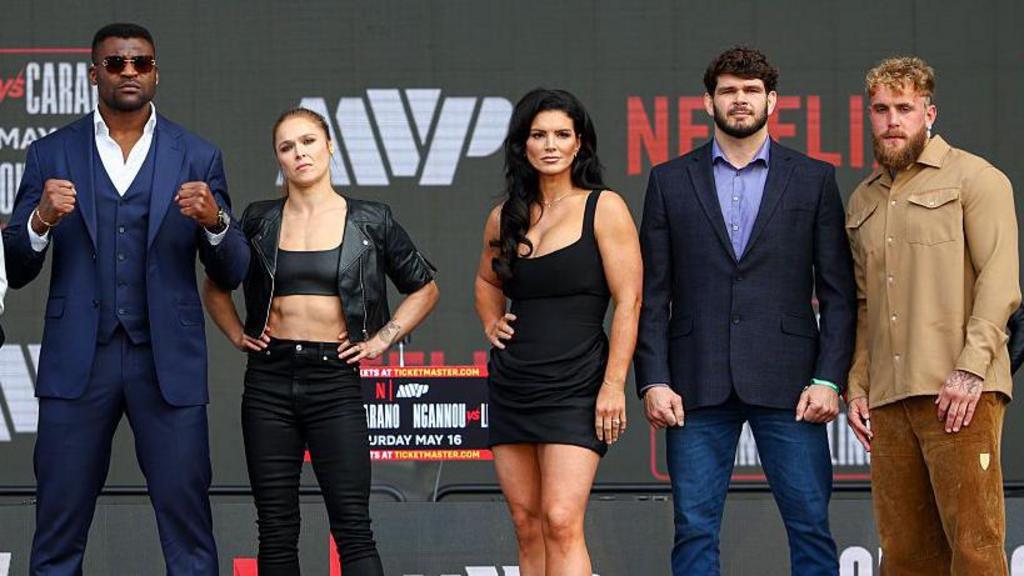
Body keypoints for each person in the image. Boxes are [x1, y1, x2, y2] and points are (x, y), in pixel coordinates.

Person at [2, 22, 249, 575]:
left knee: (189, 531)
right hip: (77, 361)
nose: (129, 72)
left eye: (140, 62)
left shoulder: (198, 155)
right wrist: (40, 218)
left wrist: (215, 222)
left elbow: (232, 268)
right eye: (116, 64)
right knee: (57, 530)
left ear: (156, 71)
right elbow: (17, 267)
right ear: (95, 74)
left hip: (167, 361)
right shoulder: (50, 153)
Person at [634, 47, 857, 575]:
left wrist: (829, 378)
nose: (740, 100)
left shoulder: (814, 179)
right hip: (694, 381)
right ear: (707, 101)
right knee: (693, 529)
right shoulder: (668, 180)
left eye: (751, 90)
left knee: (809, 524)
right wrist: (653, 380)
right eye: (729, 91)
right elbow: (652, 294)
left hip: (793, 384)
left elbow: (839, 293)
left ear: (772, 100)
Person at [202, 107, 439, 576]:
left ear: (329, 146)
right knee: (275, 527)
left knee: (353, 527)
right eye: (287, 147)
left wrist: (381, 339)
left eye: (308, 141)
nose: (299, 153)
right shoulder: (258, 220)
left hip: (335, 381)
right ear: (278, 159)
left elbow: (425, 288)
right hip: (269, 379)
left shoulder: (372, 220)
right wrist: (236, 334)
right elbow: (215, 284)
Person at [845, 56, 1020, 574]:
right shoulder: (862, 201)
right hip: (889, 401)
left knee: (975, 548)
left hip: (961, 394)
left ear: (930, 112)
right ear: (868, 115)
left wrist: (970, 370)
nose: (891, 120)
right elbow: (865, 305)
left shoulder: (977, 179)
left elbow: (1000, 281)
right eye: (880, 109)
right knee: (903, 557)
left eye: (904, 108)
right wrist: (858, 385)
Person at [474, 88, 642, 576]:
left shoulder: (604, 207)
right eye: (538, 134)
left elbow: (630, 302)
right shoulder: (504, 215)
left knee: (561, 519)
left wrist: (613, 385)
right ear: (522, 145)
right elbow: (486, 280)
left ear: (579, 144)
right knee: (526, 522)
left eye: (561, 135)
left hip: (577, 381)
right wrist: (490, 320)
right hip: (514, 381)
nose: (550, 144)